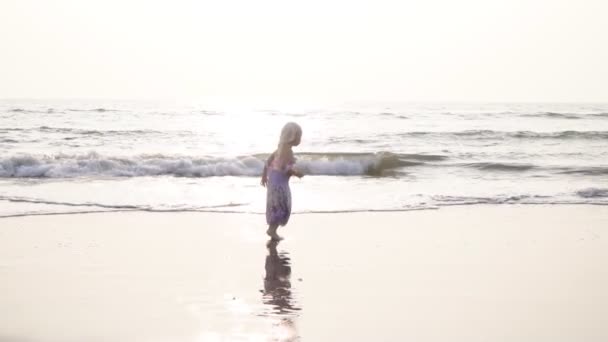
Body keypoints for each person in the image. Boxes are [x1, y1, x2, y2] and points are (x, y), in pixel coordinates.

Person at [260, 122, 304, 240]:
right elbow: (286, 169)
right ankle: (272, 230)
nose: (300, 139)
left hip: (274, 182)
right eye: (299, 136)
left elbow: (268, 161)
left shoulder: (279, 148)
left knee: (275, 205)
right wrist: (297, 173)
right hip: (280, 184)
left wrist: (264, 176)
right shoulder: (288, 151)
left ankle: (272, 230)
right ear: (292, 137)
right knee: (282, 206)